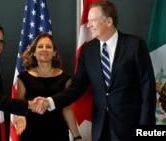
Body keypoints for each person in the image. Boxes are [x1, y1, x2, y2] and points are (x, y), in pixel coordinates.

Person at [32, 1, 156, 141]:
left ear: (109, 21)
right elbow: (77, 87)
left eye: (92, 21)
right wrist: (50, 101)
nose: (89, 25)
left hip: (130, 126)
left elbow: (148, 88)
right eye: (88, 21)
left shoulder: (135, 45)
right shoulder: (88, 50)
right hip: (100, 127)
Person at [14, 32, 82, 141]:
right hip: (31, 132)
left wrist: (77, 136)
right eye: (40, 46)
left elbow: (67, 109)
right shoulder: (23, 78)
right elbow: (19, 104)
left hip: (58, 132)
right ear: (34, 52)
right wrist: (20, 115)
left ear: (54, 52)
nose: (44, 49)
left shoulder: (65, 78)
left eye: (48, 47)